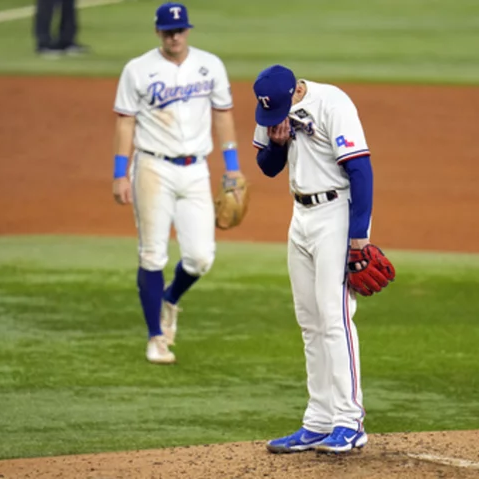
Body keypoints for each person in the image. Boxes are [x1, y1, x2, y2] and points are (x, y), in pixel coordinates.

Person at [252, 65, 395, 454]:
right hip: (300, 217)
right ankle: (317, 420)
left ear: (295, 92)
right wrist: (278, 144)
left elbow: (360, 169)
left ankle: (349, 421)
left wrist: (358, 239)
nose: (272, 117)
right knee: (309, 320)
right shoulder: (270, 108)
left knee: (334, 318)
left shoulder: (332, 102)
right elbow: (267, 168)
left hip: (336, 212)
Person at [111, 2, 245, 365]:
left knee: (200, 257)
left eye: (180, 30)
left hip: (196, 170)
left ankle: (169, 299)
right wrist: (119, 173)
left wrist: (232, 168)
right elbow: (125, 123)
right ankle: (156, 337)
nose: (175, 36)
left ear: (188, 30)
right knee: (152, 253)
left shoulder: (210, 65)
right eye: (168, 31)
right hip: (152, 168)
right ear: (158, 32)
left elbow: (224, 115)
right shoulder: (137, 70)